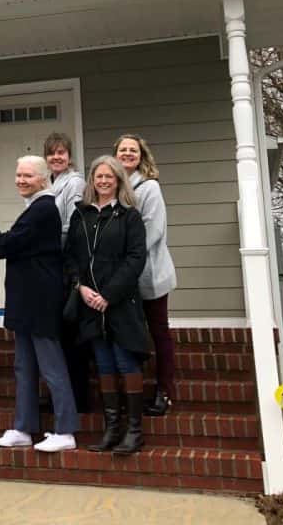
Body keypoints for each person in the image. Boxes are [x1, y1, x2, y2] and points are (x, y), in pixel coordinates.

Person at [0, 155, 79, 453]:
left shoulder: (43, 209)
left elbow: (4, 244)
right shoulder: (35, 208)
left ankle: (66, 431)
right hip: (25, 301)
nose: (20, 180)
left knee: (51, 367)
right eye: (18, 175)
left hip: (40, 301)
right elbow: (4, 247)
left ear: (43, 178)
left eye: (27, 176)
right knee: (23, 367)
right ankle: (23, 428)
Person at [64, 155, 148, 455]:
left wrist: (109, 295)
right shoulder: (80, 215)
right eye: (98, 177)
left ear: (118, 181)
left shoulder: (129, 217)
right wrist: (81, 286)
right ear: (91, 180)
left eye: (108, 177)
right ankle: (112, 429)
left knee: (125, 362)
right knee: (104, 365)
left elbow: (135, 259)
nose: (103, 181)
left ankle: (134, 431)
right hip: (88, 304)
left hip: (120, 304)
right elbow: (70, 256)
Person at [114, 133, 177, 417]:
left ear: (141, 156)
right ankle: (133, 390)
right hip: (123, 277)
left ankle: (164, 391)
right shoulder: (112, 186)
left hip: (149, 274)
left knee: (158, 332)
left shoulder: (149, 187)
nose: (128, 154)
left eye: (133, 150)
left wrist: (125, 258)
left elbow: (153, 231)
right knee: (131, 334)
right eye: (123, 150)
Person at [44, 131, 90, 413]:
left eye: (61, 152)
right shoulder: (48, 183)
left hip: (67, 264)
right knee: (57, 333)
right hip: (51, 266)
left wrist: (43, 242)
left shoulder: (74, 183)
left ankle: (78, 398)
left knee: (71, 332)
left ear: (69, 157)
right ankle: (60, 396)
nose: (56, 157)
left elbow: (72, 225)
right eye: (52, 153)